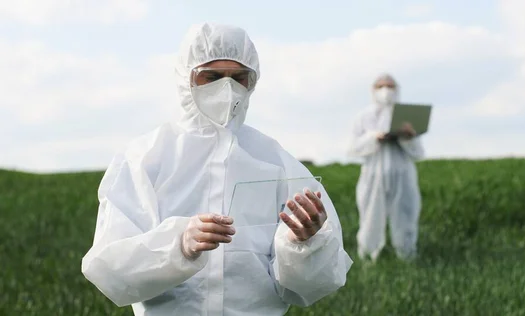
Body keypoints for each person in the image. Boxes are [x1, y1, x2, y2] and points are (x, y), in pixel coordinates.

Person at [81, 22, 352, 316]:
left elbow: (312, 284)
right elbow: (109, 268)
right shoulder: (144, 159)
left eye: (239, 77)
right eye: (211, 76)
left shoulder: (275, 161)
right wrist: (178, 244)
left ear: (253, 82)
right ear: (187, 78)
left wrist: (304, 244)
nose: (227, 87)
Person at [347, 73, 425, 262]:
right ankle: (367, 256)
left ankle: (407, 256)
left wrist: (408, 137)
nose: (386, 91)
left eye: (390, 86)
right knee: (370, 216)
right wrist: (374, 137)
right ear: (373, 90)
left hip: (403, 173)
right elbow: (353, 148)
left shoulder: (406, 116)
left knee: (406, 215)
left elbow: (419, 152)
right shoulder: (363, 117)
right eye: (381, 86)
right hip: (373, 174)